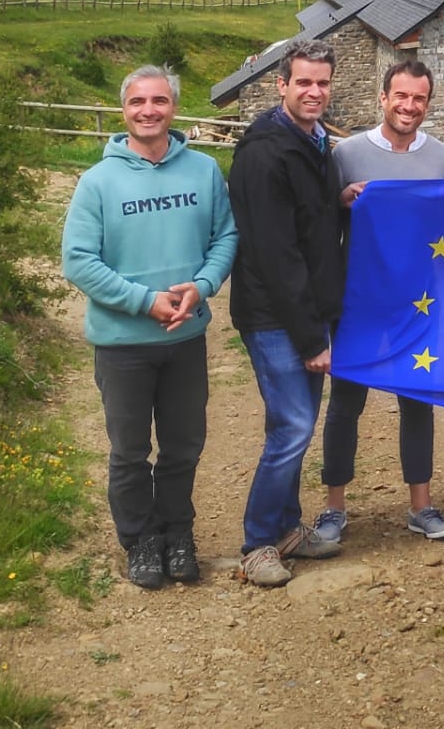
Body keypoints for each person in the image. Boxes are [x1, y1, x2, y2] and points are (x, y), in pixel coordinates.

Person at [62, 66, 237, 589]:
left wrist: (201, 287)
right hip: (123, 345)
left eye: (159, 101)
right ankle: (140, 541)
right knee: (130, 451)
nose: (148, 111)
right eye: (138, 102)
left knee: (184, 446)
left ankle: (178, 534)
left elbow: (225, 237)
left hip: (185, 339)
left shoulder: (204, 172)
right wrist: (145, 302)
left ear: (173, 109)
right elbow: (78, 261)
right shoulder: (97, 182)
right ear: (124, 110)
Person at [314, 60, 444, 543]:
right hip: (359, 302)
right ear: (383, 98)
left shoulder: (442, 158)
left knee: (417, 400)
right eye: (401, 96)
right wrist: (340, 199)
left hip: (418, 303)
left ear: (428, 103)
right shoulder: (346, 154)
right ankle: (334, 508)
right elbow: (320, 220)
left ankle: (422, 505)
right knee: (346, 402)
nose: (409, 107)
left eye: (419, 99)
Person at [228, 39, 345, 586]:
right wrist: (311, 339)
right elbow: (275, 255)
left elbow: (309, 219)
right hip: (275, 316)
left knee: (300, 424)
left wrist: (338, 201)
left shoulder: (315, 141)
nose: (314, 91)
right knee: (292, 427)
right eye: (303, 82)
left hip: (308, 311)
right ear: (282, 85)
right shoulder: (263, 153)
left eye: (322, 82)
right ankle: (257, 543)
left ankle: (290, 529)